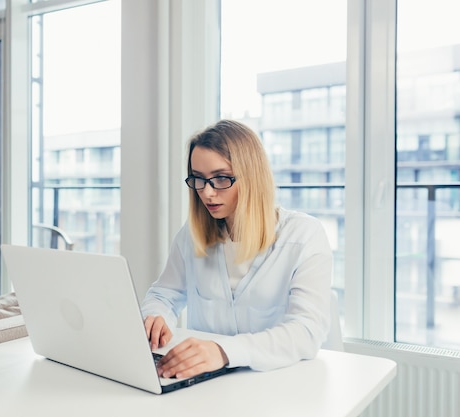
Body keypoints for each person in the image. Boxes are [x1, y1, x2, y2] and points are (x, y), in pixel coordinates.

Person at [141, 119, 333, 379]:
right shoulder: (192, 235)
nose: (207, 193)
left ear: (252, 177)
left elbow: (306, 331)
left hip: (279, 384)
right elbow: (164, 294)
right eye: (198, 179)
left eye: (220, 178)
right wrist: (156, 316)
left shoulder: (303, 236)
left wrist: (223, 351)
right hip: (207, 385)